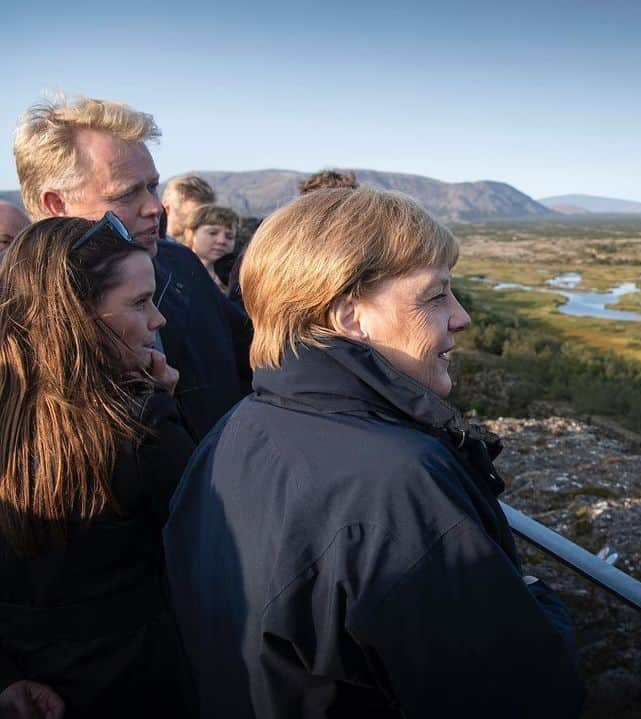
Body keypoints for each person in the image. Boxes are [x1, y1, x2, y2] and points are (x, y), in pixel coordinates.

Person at [164, 188, 585, 718]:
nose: (461, 318)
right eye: (435, 296)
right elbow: (525, 697)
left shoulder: (233, 431)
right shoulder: (398, 482)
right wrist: (536, 604)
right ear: (349, 316)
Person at [0, 215, 195, 717]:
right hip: (136, 683)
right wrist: (164, 409)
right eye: (138, 303)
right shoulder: (139, 430)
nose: (158, 320)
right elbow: (196, 556)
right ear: (75, 315)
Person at [14, 95, 252, 439]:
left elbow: (251, 354)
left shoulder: (180, 265)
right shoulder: (20, 330)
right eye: (127, 195)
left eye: (152, 187)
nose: (154, 208)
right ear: (57, 204)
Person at [179, 204, 238, 293]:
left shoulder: (238, 279)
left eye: (229, 236)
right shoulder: (174, 271)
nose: (221, 241)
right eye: (212, 233)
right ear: (190, 234)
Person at [161, 174, 216, 241]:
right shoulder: (152, 248)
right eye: (194, 216)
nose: (201, 223)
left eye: (206, 217)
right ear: (167, 209)